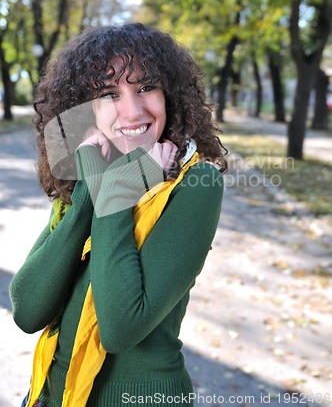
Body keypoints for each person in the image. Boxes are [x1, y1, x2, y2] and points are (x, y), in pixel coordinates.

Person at [10, 23, 227, 407]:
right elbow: (28, 311)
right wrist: (91, 193)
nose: (132, 110)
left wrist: (113, 193)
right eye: (109, 94)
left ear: (170, 95)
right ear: (84, 108)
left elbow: (120, 327)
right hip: (50, 394)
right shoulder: (87, 171)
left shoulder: (196, 184)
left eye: (146, 87)